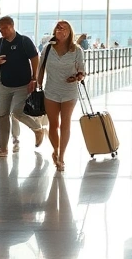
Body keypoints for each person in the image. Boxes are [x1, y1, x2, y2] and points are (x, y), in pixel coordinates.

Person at [0, 16, 47, 159]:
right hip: (4, 85)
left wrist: (35, 79)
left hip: (23, 85)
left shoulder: (23, 41)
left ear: (11, 26)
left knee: (17, 112)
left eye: (4, 28)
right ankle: (3, 149)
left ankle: (37, 129)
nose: (1, 31)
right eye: (0, 28)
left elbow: (35, 59)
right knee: (3, 115)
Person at [38, 20, 85, 173]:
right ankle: (55, 150)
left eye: (64, 28)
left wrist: (77, 77)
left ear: (69, 32)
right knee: (54, 124)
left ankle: (61, 156)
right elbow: (41, 68)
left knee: (65, 123)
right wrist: (37, 84)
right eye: (58, 28)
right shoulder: (48, 48)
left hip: (69, 91)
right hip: (51, 90)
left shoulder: (77, 50)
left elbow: (82, 72)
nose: (60, 30)